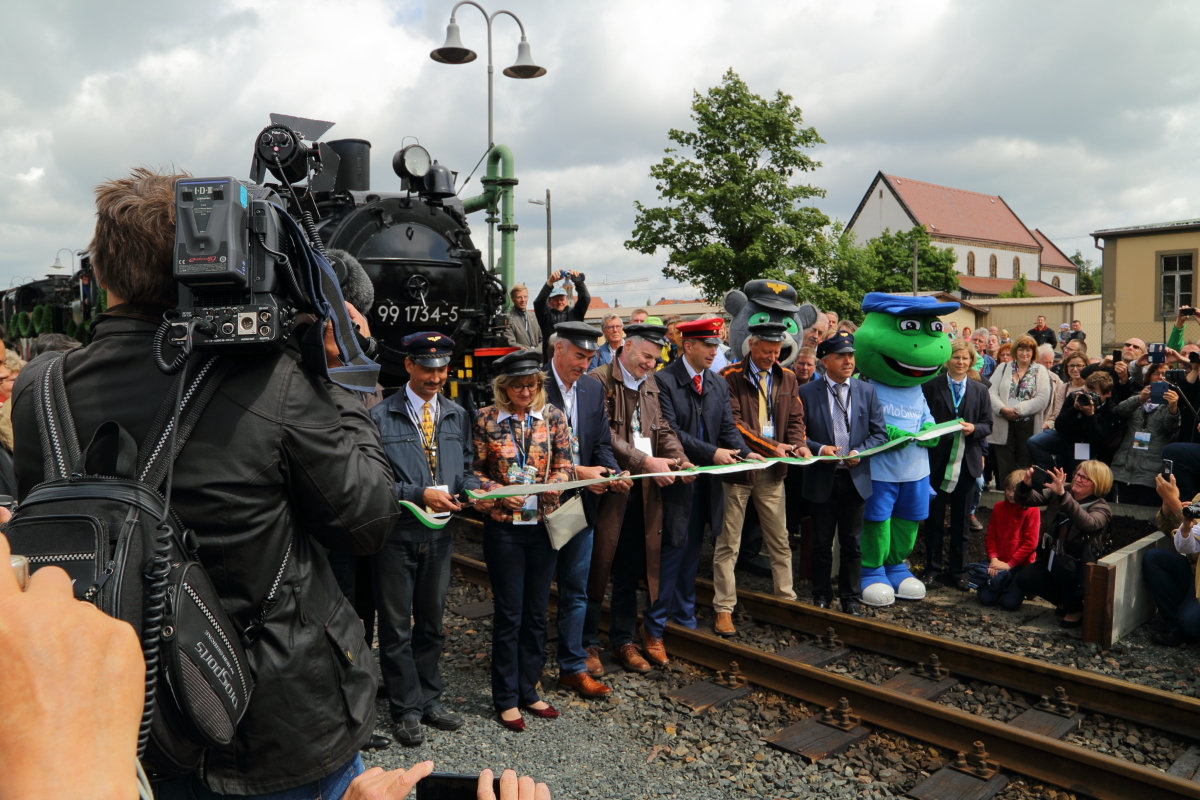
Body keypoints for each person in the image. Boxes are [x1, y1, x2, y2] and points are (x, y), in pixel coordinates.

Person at [11, 168, 401, 795]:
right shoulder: (273, 381)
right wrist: (342, 379)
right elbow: (368, 519)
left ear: (102, 275)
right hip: (276, 727)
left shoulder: (39, 390)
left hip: (118, 722)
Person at [368, 332, 478, 746]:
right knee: (396, 628)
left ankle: (429, 700)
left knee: (431, 624)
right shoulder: (380, 417)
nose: (436, 377)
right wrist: (418, 493)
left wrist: (476, 491)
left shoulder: (456, 414)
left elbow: (465, 468)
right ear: (409, 366)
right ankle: (405, 709)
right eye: (428, 369)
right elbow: (374, 482)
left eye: (442, 369)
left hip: (440, 537)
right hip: (397, 536)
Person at [469, 350, 573, 730]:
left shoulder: (553, 417)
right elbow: (474, 472)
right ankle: (506, 698)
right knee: (510, 614)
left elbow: (566, 465)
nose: (526, 392)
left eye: (531, 385)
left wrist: (549, 486)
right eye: (517, 386)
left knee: (536, 613)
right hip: (504, 528)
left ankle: (529, 689)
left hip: (543, 525)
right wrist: (499, 493)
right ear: (504, 387)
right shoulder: (485, 418)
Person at [584, 324, 692, 675]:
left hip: (639, 493)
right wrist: (645, 461)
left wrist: (680, 459)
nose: (651, 364)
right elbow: (603, 434)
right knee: (595, 569)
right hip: (606, 492)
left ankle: (622, 640)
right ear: (627, 346)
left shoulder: (649, 383)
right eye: (646, 356)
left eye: (656, 360)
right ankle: (586, 643)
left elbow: (662, 428)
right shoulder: (598, 380)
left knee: (629, 570)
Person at [655, 318, 756, 648]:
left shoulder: (716, 382)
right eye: (709, 345)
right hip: (676, 478)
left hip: (706, 480)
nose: (715, 351)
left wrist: (746, 452)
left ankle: (683, 613)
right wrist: (713, 452)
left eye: (716, 345)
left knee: (693, 547)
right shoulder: (664, 381)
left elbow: (727, 428)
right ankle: (658, 619)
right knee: (673, 547)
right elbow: (671, 431)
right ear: (688, 346)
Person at [543, 322, 627, 698]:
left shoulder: (592, 388)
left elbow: (602, 443)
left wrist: (610, 472)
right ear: (558, 349)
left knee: (576, 591)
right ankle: (527, 667)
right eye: (579, 356)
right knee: (535, 593)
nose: (585, 364)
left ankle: (572, 666)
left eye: (591, 358)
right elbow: (522, 452)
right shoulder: (531, 385)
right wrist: (579, 472)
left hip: (580, 508)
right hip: (541, 506)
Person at [713, 321, 808, 635]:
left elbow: (795, 419)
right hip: (738, 471)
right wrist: (773, 447)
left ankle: (786, 600)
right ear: (751, 345)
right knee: (729, 543)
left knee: (780, 539)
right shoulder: (728, 376)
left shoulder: (788, 377)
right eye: (766, 351)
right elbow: (733, 425)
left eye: (777, 351)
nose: (772, 357)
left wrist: (799, 444)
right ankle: (724, 608)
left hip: (772, 472)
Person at [798, 332, 888, 614]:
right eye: (841, 356)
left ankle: (850, 597)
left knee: (852, 544)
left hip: (855, 480)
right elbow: (797, 435)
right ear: (825, 361)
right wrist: (819, 448)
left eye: (851, 356)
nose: (849, 361)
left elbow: (880, 435)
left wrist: (859, 452)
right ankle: (821, 594)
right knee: (821, 543)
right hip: (822, 479)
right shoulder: (806, 393)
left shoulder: (867, 391)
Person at [922, 340, 992, 590]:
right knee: (934, 518)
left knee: (962, 520)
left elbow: (987, 424)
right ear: (947, 360)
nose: (960, 362)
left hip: (967, 462)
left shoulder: (980, 390)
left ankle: (958, 571)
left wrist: (974, 429)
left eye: (965, 358)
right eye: (956, 357)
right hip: (937, 462)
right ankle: (932, 568)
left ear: (971, 361)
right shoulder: (930, 386)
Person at [1014, 461, 1113, 628]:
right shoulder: (1063, 489)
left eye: (1085, 478)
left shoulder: (1102, 508)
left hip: (1080, 565)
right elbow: (1027, 499)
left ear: (1098, 483)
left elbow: (1088, 523)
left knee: (1063, 565)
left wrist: (1062, 496)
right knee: (1026, 578)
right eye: (1077, 474)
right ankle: (1064, 604)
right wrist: (1026, 485)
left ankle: (1075, 610)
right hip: (1054, 556)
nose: (1078, 479)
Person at [1110, 361, 1180, 506]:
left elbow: (1171, 428)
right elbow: (1120, 411)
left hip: (1152, 470)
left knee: (1147, 510)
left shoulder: (1173, 402)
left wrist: (1173, 408)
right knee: (1125, 511)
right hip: (1126, 468)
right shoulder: (1139, 397)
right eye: (1156, 373)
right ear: (1149, 377)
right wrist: (1139, 399)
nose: (1160, 377)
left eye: (1165, 374)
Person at [1143, 473, 1200, 646]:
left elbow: (1196, 532)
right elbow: (1170, 529)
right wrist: (1168, 505)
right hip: (1194, 571)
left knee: (1190, 623)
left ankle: (1186, 623)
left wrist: (1174, 503)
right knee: (1154, 558)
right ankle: (1175, 625)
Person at [987, 334, 1051, 479]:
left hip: (1027, 426)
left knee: (1023, 468)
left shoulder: (1040, 370)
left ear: (1033, 352)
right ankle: (1004, 493)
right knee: (1004, 468)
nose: (1024, 353)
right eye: (1021, 349)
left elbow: (1042, 398)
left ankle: (1021, 494)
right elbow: (991, 392)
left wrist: (1018, 410)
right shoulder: (1003, 367)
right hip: (1004, 424)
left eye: (1028, 350)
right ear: (1015, 350)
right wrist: (1003, 409)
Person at [977, 470, 1040, 611]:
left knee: (1009, 605)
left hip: (1020, 565)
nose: (1011, 494)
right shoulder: (998, 507)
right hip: (999, 561)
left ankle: (1028, 588)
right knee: (986, 600)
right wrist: (994, 559)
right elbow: (990, 536)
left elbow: (1030, 543)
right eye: (1008, 489)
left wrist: (1010, 564)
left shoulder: (1032, 510)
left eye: (1015, 490)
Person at [534, 270, 590, 356]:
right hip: (551, 358)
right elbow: (539, 303)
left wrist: (579, 283)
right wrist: (550, 282)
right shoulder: (545, 316)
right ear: (549, 303)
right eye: (555, 300)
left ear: (566, 300)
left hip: (572, 357)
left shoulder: (575, 313)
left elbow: (585, 299)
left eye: (561, 299)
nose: (559, 302)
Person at [503, 283, 543, 351]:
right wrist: (529, 351)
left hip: (538, 355)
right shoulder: (507, 318)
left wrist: (536, 350)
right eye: (519, 297)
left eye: (525, 296)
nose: (523, 300)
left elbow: (542, 339)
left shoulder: (534, 316)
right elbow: (511, 342)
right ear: (512, 299)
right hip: (521, 356)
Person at [1038, 344, 1065, 428]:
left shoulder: (1056, 380)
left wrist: (1047, 424)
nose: (1049, 366)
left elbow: (1059, 409)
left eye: (1051, 362)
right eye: (1046, 363)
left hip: (1045, 426)